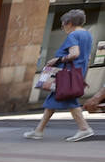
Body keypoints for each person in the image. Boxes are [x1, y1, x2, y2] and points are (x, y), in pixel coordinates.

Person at [25, 9, 94, 142]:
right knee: (52, 102)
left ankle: (84, 129)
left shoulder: (73, 35)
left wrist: (57, 60)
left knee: (70, 101)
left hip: (66, 76)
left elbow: (75, 54)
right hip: (76, 73)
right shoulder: (87, 35)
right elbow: (88, 57)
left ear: (69, 23)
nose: (62, 27)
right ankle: (38, 131)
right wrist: (83, 76)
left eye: (62, 24)